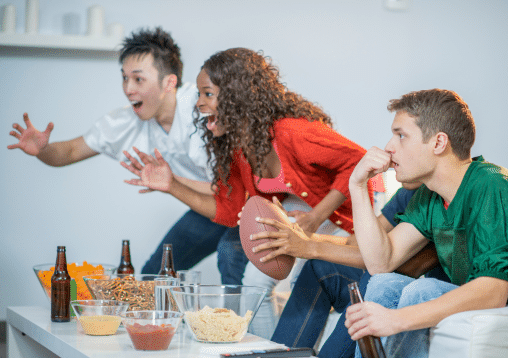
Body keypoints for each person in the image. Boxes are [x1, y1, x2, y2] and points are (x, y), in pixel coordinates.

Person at [122, 47, 374, 337]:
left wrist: (316, 218)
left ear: (235, 97)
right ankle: (263, 353)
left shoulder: (293, 132)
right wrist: (172, 185)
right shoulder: (238, 149)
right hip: (296, 215)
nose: (199, 104)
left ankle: (286, 352)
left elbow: (358, 161)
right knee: (255, 282)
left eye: (207, 94)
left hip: (337, 214)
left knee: (298, 281)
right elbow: (229, 212)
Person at [344, 88, 508, 358]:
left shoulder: (492, 186)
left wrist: (395, 320)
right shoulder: (431, 196)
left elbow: (494, 292)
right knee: (383, 284)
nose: (388, 147)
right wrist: (357, 186)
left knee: (423, 289)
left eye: (401, 136)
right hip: (484, 303)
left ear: (438, 142)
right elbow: (380, 262)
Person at [7, 27, 247, 278]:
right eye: (124, 78)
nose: (128, 88)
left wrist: (173, 183)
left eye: (138, 79)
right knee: (152, 277)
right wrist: (42, 150)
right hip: (206, 207)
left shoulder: (205, 107)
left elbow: (237, 188)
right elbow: (68, 152)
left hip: (248, 202)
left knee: (230, 256)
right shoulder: (125, 122)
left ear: (169, 82)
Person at [250, 185, 443, 358]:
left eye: (402, 149)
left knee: (375, 279)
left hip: (411, 288)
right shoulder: (412, 191)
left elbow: (394, 266)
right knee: (319, 268)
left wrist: (310, 247)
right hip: (387, 274)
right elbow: (356, 242)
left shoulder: (445, 195)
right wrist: (299, 237)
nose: (390, 152)